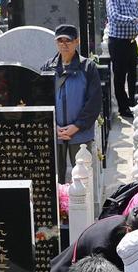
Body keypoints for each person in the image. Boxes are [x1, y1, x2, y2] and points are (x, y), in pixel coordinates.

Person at [45, 25, 102, 182]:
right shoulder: (48, 67)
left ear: (77, 41)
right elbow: (41, 98)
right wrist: (52, 125)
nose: (64, 44)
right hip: (55, 133)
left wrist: (76, 126)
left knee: (82, 179)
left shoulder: (88, 67)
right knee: (54, 179)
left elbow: (94, 102)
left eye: (68, 41)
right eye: (60, 41)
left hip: (80, 134)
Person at [105, 0, 138, 118]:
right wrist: (135, 20)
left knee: (133, 74)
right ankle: (123, 108)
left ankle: (133, 102)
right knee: (120, 75)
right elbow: (115, 17)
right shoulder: (112, 1)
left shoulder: (133, 1)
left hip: (132, 41)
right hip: (117, 42)